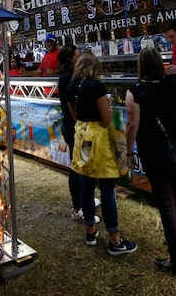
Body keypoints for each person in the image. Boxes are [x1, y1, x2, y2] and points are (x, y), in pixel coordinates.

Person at [125, 46, 176, 277]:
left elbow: (132, 125)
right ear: (160, 62)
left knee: (166, 201)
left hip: (153, 150)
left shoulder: (135, 91)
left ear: (140, 65)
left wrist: (128, 152)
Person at [66, 52, 137, 256]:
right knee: (107, 189)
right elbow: (106, 119)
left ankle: (90, 231)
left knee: (87, 186)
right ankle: (115, 239)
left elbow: (75, 116)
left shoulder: (71, 87)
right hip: (100, 140)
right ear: (95, 67)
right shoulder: (95, 86)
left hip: (83, 138)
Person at [57, 44, 99, 223]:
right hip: (75, 127)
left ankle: (83, 202)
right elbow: (74, 107)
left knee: (79, 165)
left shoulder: (67, 77)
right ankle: (78, 208)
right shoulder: (69, 79)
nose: (79, 56)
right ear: (69, 58)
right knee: (78, 167)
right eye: (76, 54)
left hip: (72, 126)